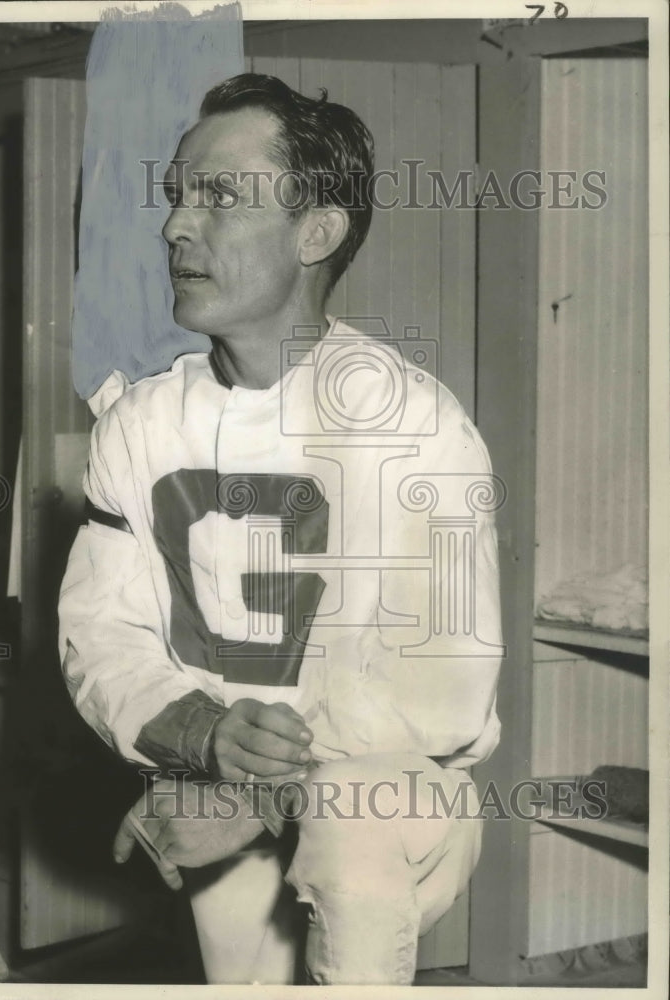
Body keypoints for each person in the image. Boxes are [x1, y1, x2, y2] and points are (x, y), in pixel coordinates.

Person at [58, 73, 503, 986]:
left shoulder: (417, 425)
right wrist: (201, 737)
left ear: (318, 231)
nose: (176, 225)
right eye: (178, 195)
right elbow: (100, 631)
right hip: (218, 780)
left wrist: (261, 797)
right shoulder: (139, 425)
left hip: (389, 793)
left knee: (348, 834)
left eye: (218, 195)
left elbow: (442, 694)